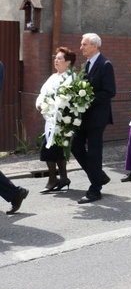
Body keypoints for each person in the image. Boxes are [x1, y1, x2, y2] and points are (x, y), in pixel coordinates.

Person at [74, 33, 116, 204]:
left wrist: (87, 100)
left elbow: (109, 92)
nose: (81, 47)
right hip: (84, 117)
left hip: (97, 117)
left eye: (84, 44)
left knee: (94, 152)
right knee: (75, 146)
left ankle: (95, 190)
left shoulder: (105, 65)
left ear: (94, 46)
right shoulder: (86, 65)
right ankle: (98, 176)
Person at [35, 47, 76, 193]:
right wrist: (40, 104)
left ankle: (54, 179)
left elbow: (65, 99)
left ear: (68, 62)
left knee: (51, 150)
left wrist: (50, 106)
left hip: (62, 120)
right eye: (55, 58)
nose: (56, 61)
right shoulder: (53, 77)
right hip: (50, 120)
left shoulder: (70, 78)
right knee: (56, 150)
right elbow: (42, 93)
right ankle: (63, 178)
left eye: (59, 58)